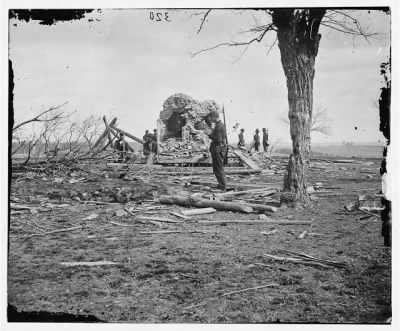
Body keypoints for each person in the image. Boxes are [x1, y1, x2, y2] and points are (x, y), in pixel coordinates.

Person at [206, 110, 227, 191]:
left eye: (211, 118)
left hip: (217, 150)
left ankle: (222, 187)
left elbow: (218, 139)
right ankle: (221, 185)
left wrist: (209, 134)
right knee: (217, 169)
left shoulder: (219, 126)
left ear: (215, 117)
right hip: (217, 150)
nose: (210, 120)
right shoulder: (219, 125)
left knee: (219, 169)